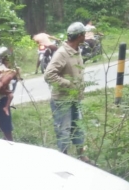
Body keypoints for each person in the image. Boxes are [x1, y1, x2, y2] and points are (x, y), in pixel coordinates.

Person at [44, 22, 89, 162]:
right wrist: (68, 84)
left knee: (78, 128)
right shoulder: (62, 53)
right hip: (62, 100)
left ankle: (82, 157)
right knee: (64, 130)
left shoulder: (76, 51)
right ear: (80, 36)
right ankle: (65, 160)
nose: (85, 36)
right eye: (84, 34)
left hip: (75, 98)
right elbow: (49, 75)